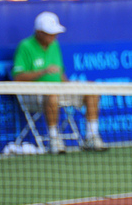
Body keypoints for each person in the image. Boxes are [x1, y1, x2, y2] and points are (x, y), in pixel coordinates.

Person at [12, 11, 107, 154]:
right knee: (52, 95)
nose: (53, 36)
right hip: (34, 95)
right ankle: (54, 139)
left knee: (91, 89)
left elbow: (60, 73)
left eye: (54, 33)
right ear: (38, 32)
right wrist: (43, 72)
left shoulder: (54, 45)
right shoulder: (25, 46)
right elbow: (18, 77)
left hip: (58, 90)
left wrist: (69, 85)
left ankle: (91, 136)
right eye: (49, 34)